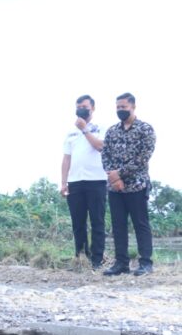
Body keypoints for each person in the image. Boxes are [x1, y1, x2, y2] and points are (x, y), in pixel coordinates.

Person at [101, 93, 156, 276]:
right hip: (115, 187)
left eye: (123, 107)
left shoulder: (145, 129)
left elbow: (143, 158)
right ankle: (121, 264)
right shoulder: (112, 131)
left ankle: (146, 263)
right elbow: (105, 155)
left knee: (141, 224)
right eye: (118, 107)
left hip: (137, 185)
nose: (120, 110)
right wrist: (114, 178)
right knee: (118, 225)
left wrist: (120, 174)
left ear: (133, 106)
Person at [60, 95, 107, 270]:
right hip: (75, 182)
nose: (81, 109)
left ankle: (97, 260)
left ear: (92, 108)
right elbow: (66, 159)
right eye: (78, 106)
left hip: (96, 180)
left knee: (97, 221)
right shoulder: (70, 132)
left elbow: (100, 146)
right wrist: (64, 182)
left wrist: (85, 129)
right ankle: (81, 257)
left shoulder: (101, 127)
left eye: (85, 106)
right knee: (78, 222)